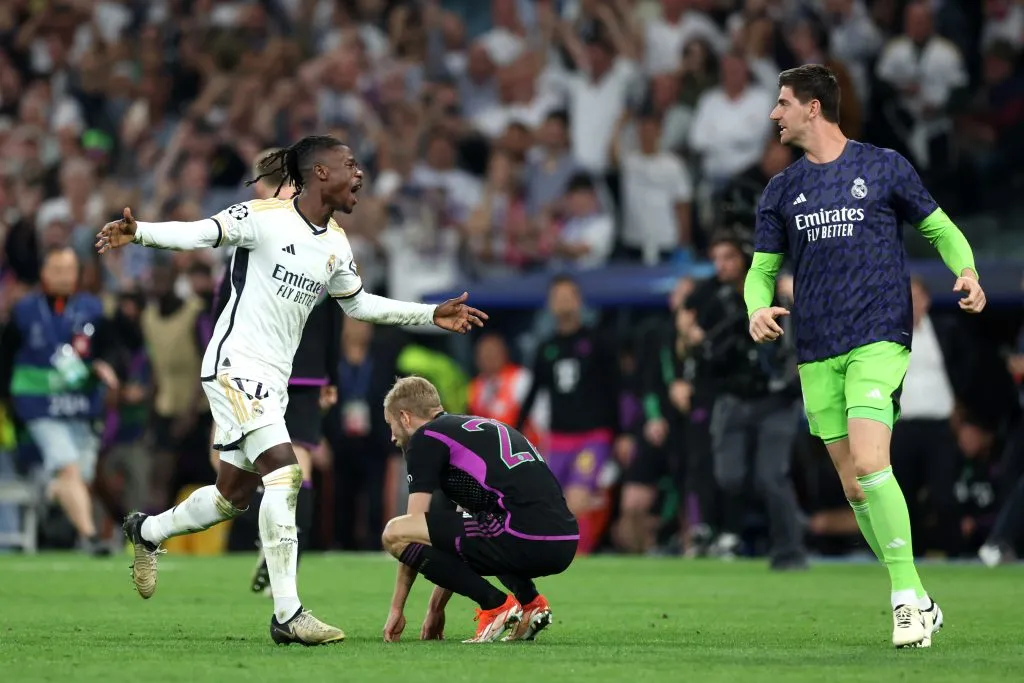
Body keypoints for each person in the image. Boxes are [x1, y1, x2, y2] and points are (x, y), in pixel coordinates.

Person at [96, 135, 487, 646]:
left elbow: (360, 306)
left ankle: (145, 531)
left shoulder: (336, 243)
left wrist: (429, 315)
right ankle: (288, 614)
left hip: (272, 382)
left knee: (229, 498)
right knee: (285, 472)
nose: (359, 174)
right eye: (350, 164)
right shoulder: (263, 216)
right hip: (235, 365)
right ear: (320, 172)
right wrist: (139, 232)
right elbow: (202, 233)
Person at [745, 65, 986, 648]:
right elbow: (762, 270)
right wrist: (755, 308)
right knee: (855, 487)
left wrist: (968, 270)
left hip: (878, 335)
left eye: (782, 103)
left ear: (813, 108)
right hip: (817, 348)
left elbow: (939, 227)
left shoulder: (883, 166)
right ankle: (919, 594)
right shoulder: (781, 190)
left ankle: (904, 601)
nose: (774, 113)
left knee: (873, 460)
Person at [206, 149, 342, 596]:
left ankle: (283, 566)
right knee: (238, 474)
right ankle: (275, 553)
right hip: (248, 365)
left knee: (290, 469)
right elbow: (223, 305)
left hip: (297, 373)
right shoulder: (253, 227)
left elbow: (339, 306)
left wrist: (330, 375)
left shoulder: (315, 233)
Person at [380, 376, 577, 644]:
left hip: (520, 533)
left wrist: (396, 609)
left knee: (394, 532)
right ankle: (531, 605)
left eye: (390, 425)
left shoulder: (426, 437)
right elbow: (457, 540)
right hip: (563, 539)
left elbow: (410, 529)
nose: (392, 437)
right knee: (480, 525)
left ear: (404, 417)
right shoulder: (473, 429)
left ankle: (495, 605)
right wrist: (435, 608)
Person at [0, 246, 119, 555]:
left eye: (70, 270)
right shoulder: (24, 311)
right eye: (57, 269)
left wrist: (105, 366)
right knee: (68, 468)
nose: (65, 276)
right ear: (44, 273)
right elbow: (5, 356)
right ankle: (91, 537)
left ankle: (51, 490)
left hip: (81, 406)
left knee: (80, 476)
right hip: (38, 404)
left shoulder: (93, 309)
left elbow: (109, 350)